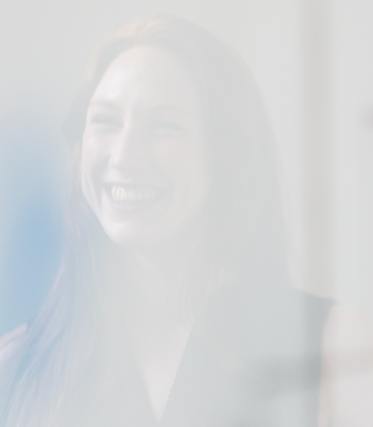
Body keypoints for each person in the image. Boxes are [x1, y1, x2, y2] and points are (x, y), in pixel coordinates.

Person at [0, 16, 329, 426]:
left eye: (163, 126)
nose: (124, 156)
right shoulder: (13, 370)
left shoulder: (331, 351)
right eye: (105, 121)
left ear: (226, 157)